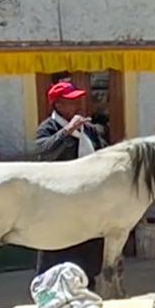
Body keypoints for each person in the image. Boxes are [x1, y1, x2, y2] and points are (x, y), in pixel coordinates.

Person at [33, 80, 110, 278]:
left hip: (88, 195)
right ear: (58, 105)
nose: (76, 106)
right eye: (71, 102)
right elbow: (45, 151)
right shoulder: (48, 127)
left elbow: (102, 154)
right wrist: (67, 131)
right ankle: (50, 282)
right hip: (59, 197)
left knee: (90, 240)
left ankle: (87, 279)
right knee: (57, 242)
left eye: (77, 101)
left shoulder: (89, 129)